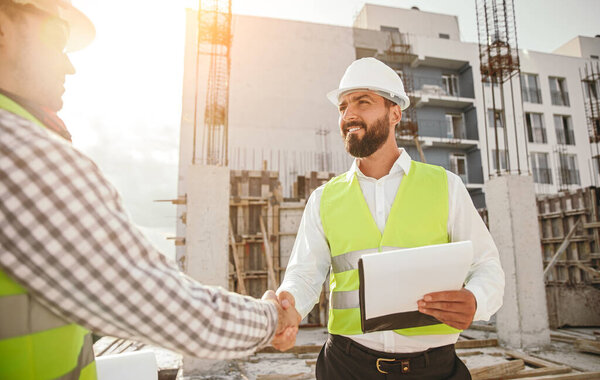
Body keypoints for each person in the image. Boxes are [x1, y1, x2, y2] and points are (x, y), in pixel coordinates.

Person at [0, 1, 300, 378]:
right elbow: (155, 301)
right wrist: (271, 318)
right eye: (56, 38)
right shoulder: (19, 151)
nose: (69, 64)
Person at [275, 57, 505, 379]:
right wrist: (287, 307)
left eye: (362, 102)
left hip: (433, 369)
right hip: (346, 367)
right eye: (342, 107)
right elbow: (303, 277)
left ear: (395, 113)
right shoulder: (323, 199)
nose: (348, 115)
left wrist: (476, 300)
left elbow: (487, 267)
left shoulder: (445, 186)